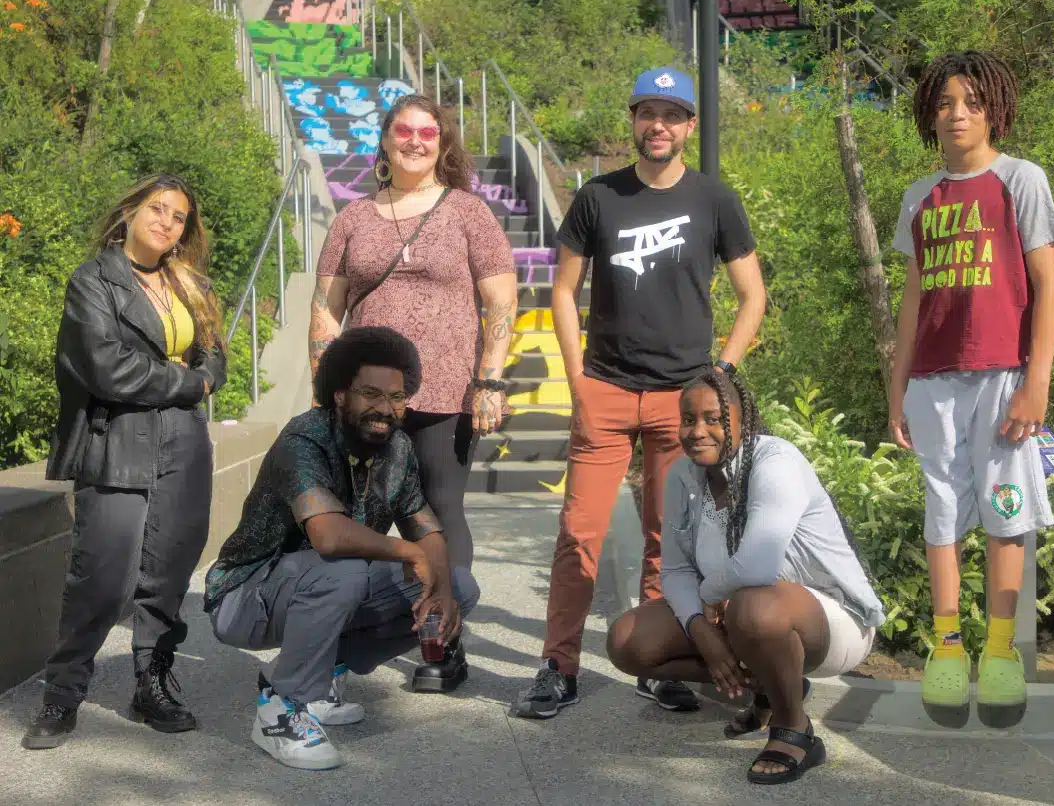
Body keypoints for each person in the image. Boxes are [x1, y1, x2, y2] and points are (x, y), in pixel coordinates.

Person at [513, 67, 767, 718]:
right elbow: (562, 292)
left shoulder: (715, 200)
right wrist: (575, 378)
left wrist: (721, 374)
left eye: (671, 114)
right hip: (604, 388)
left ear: (688, 127)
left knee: (669, 538)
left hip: (681, 402)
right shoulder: (598, 197)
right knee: (578, 534)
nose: (658, 124)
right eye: (646, 112)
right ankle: (556, 666)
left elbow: (751, 297)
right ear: (632, 120)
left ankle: (656, 664)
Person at [203, 327, 480, 771]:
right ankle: (281, 708)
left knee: (461, 587)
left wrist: (442, 590)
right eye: (370, 394)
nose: (385, 409)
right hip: (244, 597)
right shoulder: (305, 439)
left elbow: (426, 526)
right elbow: (329, 536)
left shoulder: (398, 448)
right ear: (338, 395)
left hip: (318, 583)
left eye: (397, 397)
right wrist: (409, 554)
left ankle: (323, 675)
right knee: (343, 569)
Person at [888, 51, 1054, 726]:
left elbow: (1048, 283)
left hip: (1001, 375)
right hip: (931, 381)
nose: (956, 113)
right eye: (942, 103)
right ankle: (946, 647)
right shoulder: (918, 195)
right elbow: (911, 299)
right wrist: (895, 385)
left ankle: (998, 652)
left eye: (969, 101)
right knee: (939, 511)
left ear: (993, 108)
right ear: (927, 114)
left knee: (1003, 509)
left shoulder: (1019, 180)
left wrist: (1036, 381)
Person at [22, 174, 227, 750]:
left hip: (183, 442)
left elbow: (216, 359)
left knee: (167, 572)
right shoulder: (93, 281)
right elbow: (107, 368)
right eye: (156, 209)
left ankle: (151, 685)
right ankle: (62, 697)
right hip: (116, 439)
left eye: (178, 216)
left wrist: (203, 377)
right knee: (102, 578)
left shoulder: (191, 284)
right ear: (131, 212)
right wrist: (190, 383)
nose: (166, 222)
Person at [606, 369, 885, 784]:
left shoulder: (776, 462)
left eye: (714, 418)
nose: (698, 430)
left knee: (754, 607)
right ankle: (772, 687)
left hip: (832, 619)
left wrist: (711, 598)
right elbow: (677, 568)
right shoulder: (684, 476)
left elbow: (758, 567)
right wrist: (702, 631)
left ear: (743, 419)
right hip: (737, 614)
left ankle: (794, 728)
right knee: (628, 641)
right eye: (688, 419)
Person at [310, 93, 517, 571]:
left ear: (441, 144)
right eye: (404, 131)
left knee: (441, 511)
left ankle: (445, 632)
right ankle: (358, 626)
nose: (415, 142)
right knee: (362, 515)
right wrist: (326, 392)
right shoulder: (351, 218)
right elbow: (325, 311)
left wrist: (489, 381)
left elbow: (501, 300)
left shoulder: (468, 212)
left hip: (446, 392)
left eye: (428, 133)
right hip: (365, 395)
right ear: (385, 140)